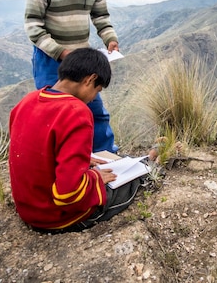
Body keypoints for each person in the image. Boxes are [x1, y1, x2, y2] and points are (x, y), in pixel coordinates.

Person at [8, 48, 142, 232]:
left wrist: (81, 161)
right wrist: (94, 177)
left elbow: (39, 153)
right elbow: (68, 194)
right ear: (89, 80)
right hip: (54, 216)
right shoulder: (76, 112)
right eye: (97, 90)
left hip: (28, 208)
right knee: (137, 178)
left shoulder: (27, 101)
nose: (94, 97)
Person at [24, 0, 118, 153]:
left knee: (95, 112)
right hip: (50, 59)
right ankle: (58, 161)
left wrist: (109, 39)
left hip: (82, 59)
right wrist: (61, 52)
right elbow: (33, 26)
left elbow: (101, 16)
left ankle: (106, 157)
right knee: (56, 114)